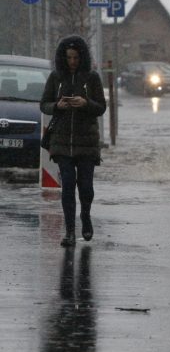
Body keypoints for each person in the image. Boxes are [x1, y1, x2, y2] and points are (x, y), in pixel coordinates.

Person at [40, 35, 107, 247]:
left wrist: (85, 103)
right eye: (68, 57)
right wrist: (57, 106)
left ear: (82, 57)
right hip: (61, 141)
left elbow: (101, 107)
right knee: (67, 185)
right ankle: (69, 231)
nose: (72, 62)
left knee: (85, 186)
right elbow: (44, 104)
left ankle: (85, 216)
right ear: (63, 57)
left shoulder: (92, 78)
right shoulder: (55, 77)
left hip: (86, 141)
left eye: (76, 57)